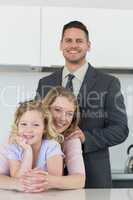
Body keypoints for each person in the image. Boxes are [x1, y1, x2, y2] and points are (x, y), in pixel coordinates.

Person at [35, 21, 129, 188]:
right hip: (49, 176)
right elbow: (37, 123)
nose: (73, 45)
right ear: (61, 44)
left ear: (88, 45)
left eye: (79, 41)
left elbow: (120, 130)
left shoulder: (108, 83)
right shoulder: (45, 83)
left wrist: (86, 137)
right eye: (68, 40)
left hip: (94, 177)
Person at [0, 87, 85, 192]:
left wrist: (43, 180)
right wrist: (21, 183)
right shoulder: (16, 140)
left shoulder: (68, 139)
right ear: (46, 110)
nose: (63, 118)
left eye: (69, 113)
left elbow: (79, 179)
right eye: (57, 110)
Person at [0, 100, 64, 191]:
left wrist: (30, 179)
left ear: (44, 128)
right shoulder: (14, 148)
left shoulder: (52, 146)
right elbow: (18, 180)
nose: (28, 130)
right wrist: (28, 151)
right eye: (23, 124)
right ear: (17, 126)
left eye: (36, 125)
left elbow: (54, 180)